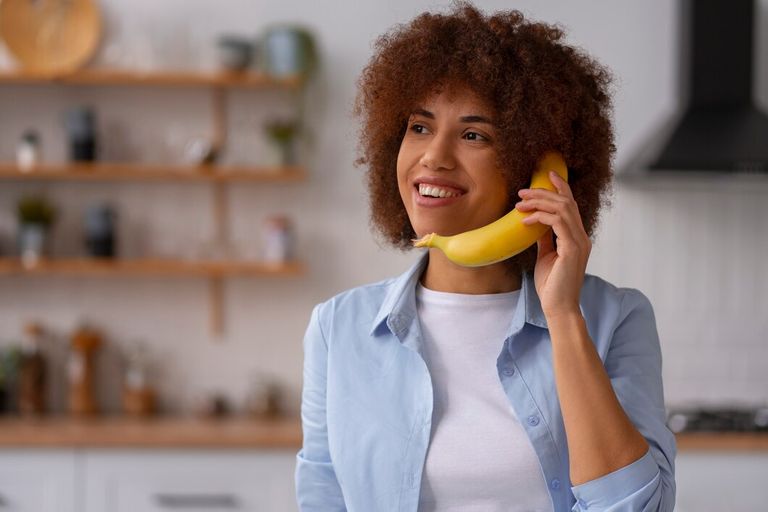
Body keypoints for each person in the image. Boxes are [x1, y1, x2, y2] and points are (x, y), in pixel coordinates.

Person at [295, 2, 676, 511]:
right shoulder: (338, 328)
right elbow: (324, 501)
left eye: (474, 134)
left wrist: (563, 318)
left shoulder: (615, 319)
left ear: (537, 167)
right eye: (420, 127)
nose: (434, 156)